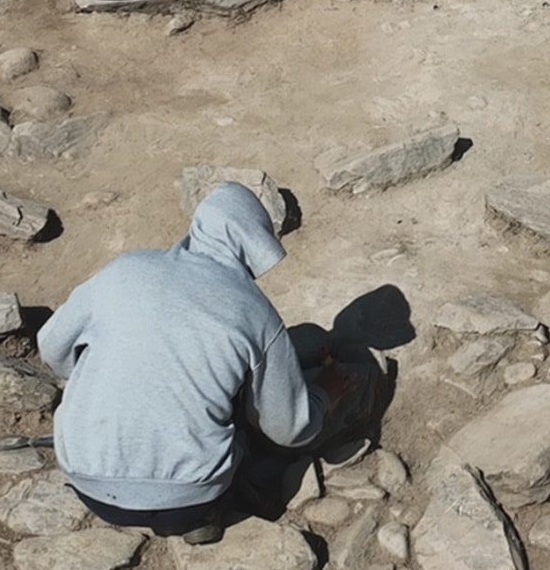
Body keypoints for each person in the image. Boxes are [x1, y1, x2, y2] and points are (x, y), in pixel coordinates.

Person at [37, 183, 350, 544]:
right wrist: (323, 394)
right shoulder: (254, 311)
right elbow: (290, 430)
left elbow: (51, 346)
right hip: (188, 499)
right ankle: (205, 514)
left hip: (85, 481)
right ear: (254, 246)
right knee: (241, 412)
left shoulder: (121, 270)